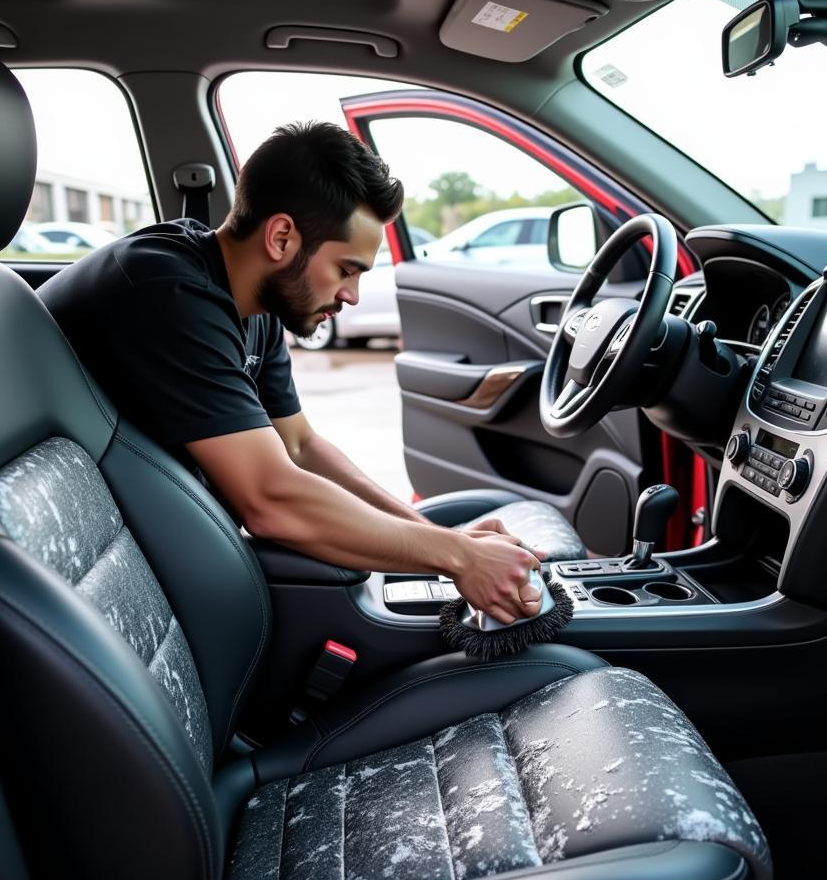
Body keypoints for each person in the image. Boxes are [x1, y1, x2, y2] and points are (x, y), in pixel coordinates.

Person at [39, 121, 542, 624]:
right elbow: (270, 499)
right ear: (281, 237)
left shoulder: (253, 305)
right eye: (346, 269)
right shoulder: (164, 290)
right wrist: (457, 557)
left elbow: (301, 446)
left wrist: (442, 541)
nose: (352, 296)